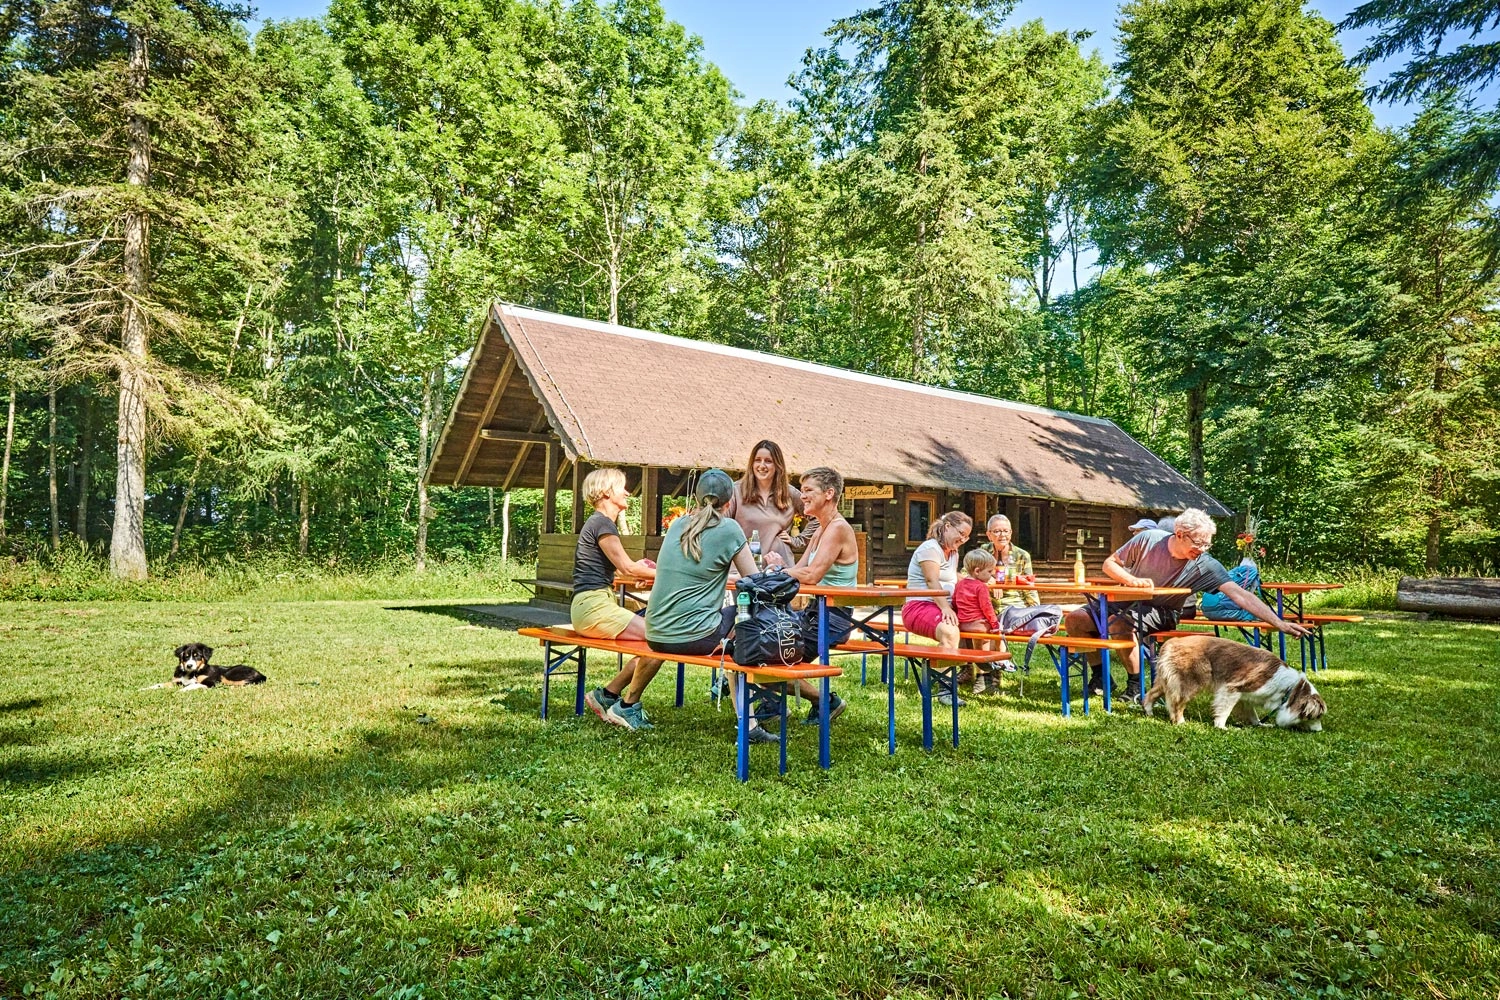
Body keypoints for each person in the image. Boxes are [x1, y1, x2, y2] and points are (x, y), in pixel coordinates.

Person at [1063, 508, 1312, 701]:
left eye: (1207, 544)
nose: (1202, 549)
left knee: (1117, 625)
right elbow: (1110, 563)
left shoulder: (1205, 565)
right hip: (1125, 600)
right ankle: (1100, 677)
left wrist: (1279, 622)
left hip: (1163, 610)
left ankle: (1136, 687)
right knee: (1075, 620)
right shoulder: (1148, 540)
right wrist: (1131, 581)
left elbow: (1241, 595)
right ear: (1180, 534)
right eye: (1198, 543)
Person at [643, 469, 768, 737]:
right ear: (729, 502)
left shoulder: (678, 525)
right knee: (747, 619)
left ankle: (756, 706)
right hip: (694, 636)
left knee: (736, 626)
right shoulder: (729, 529)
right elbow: (755, 581)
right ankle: (751, 721)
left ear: (697, 498)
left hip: (655, 635)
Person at [573, 469, 664, 729]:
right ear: (606, 492)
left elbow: (620, 569)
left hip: (592, 604)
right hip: (593, 607)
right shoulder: (602, 523)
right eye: (621, 487)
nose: (627, 492)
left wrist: (639, 573)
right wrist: (670, 574)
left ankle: (607, 695)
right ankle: (626, 707)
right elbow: (627, 567)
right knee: (662, 638)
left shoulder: (599, 523)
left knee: (655, 642)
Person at [763, 466, 854, 724]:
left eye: (808, 490)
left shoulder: (838, 528)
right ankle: (773, 704)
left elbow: (811, 575)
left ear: (829, 493)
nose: (802, 496)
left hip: (833, 618)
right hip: (815, 613)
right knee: (759, 643)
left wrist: (779, 573)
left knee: (766, 653)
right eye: (802, 491)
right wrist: (780, 567)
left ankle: (824, 701)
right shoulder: (821, 529)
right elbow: (800, 569)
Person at [901, 510, 972, 706]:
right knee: (950, 631)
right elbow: (931, 581)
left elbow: (952, 577)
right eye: (961, 534)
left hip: (941, 605)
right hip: (920, 606)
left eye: (966, 537)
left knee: (977, 622)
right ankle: (945, 689)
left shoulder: (953, 552)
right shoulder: (930, 549)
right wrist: (946, 608)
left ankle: (985, 675)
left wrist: (976, 583)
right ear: (947, 527)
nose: (963, 539)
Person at [725, 440, 816, 570]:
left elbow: (818, 517)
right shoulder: (736, 491)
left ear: (778, 465)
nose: (762, 465)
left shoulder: (790, 493)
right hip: (743, 570)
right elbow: (721, 525)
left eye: (768, 461)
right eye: (757, 460)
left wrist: (798, 541)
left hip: (779, 569)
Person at [951, 548, 1007, 695]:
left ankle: (971, 669)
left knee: (975, 644)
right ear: (977, 571)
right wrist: (995, 624)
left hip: (963, 624)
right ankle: (992, 670)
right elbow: (987, 608)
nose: (992, 575)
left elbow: (955, 602)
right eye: (989, 572)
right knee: (994, 638)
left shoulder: (960, 584)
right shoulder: (981, 587)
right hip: (979, 625)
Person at [980, 514, 1039, 612]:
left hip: (1014, 604)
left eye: (1006, 531)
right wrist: (989, 579)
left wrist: (1036, 610)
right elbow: (967, 573)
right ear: (989, 535)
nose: (1002, 535)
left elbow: (1029, 586)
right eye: (997, 531)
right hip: (987, 604)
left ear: (1011, 533)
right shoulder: (983, 551)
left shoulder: (1022, 555)